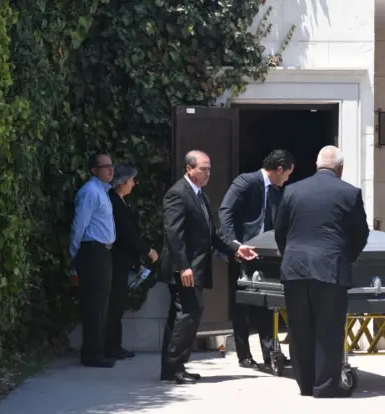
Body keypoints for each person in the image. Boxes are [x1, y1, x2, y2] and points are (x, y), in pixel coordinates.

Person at [274, 145, 369, 398]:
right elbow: (361, 234)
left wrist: (291, 255)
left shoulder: (292, 190)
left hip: (295, 270)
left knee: (300, 328)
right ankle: (325, 386)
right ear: (340, 168)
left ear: (317, 166)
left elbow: (280, 231)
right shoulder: (350, 192)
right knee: (328, 329)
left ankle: (305, 384)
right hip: (330, 269)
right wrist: (344, 257)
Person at [158, 150, 258, 384]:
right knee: (189, 315)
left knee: (181, 316)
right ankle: (175, 367)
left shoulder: (200, 196)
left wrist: (236, 248)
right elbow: (173, 234)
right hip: (184, 268)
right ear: (189, 169)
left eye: (210, 168)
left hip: (195, 267)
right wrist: (183, 266)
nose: (208, 173)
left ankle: (170, 368)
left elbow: (213, 234)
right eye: (203, 168)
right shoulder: (178, 194)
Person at [218, 149, 296, 369]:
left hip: (265, 255)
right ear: (279, 169)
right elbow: (226, 212)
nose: (288, 179)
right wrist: (235, 245)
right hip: (242, 251)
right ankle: (244, 355)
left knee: (268, 303)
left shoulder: (276, 193)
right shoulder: (246, 182)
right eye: (288, 173)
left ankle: (271, 353)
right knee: (242, 305)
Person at [69, 152, 117, 368]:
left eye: (111, 166)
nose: (110, 169)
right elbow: (79, 225)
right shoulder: (90, 192)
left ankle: (98, 351)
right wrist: (74, 255)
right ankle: (91, 354)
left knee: (101, 304)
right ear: (93, 170)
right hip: (92, 252)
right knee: (94, 305)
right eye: (105, 166)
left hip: (103, 252)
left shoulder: (102, 192)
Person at [106, 164, 159, 360]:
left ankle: (114, 345)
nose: (134, 184)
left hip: (123, 260)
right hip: (117, 260)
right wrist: (148, 250)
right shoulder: (114, 202)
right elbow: (127, 234)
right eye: (131, 180)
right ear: (122, 183)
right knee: (114, 305)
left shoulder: (121, 202)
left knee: (117, 304)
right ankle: (111, 346)